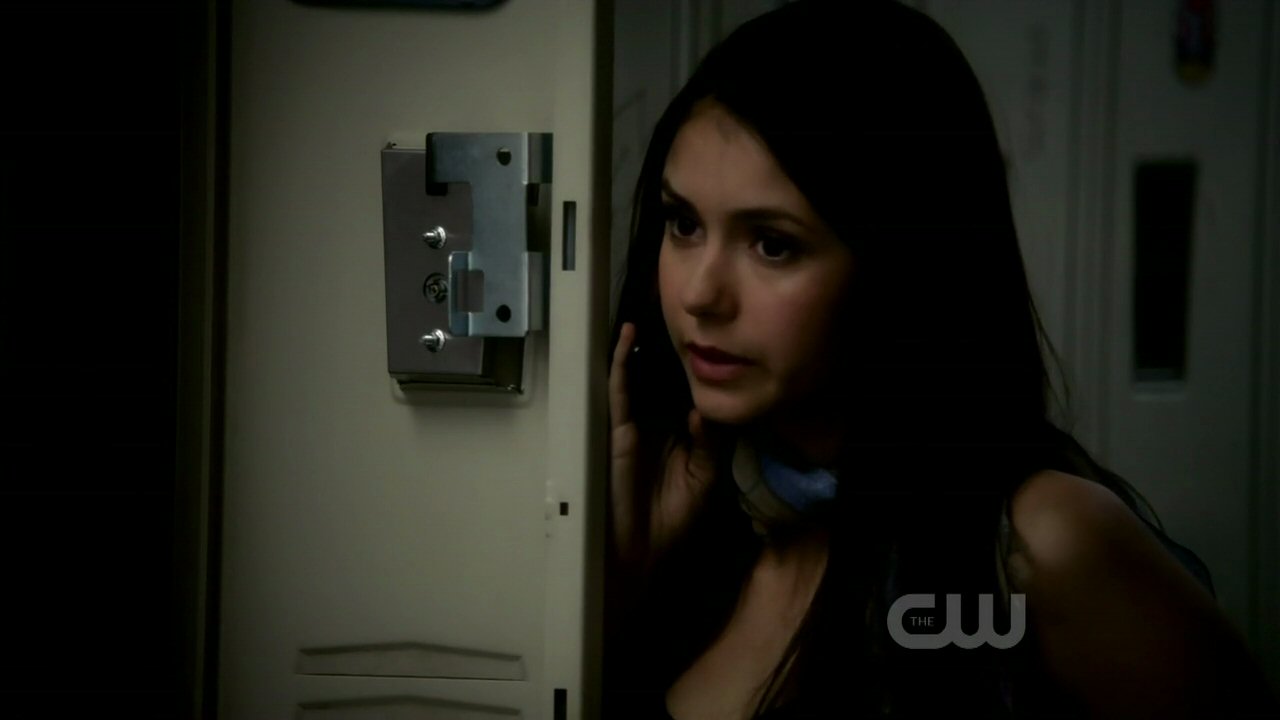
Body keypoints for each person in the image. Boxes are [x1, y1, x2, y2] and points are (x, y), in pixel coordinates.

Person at [602, 1, 1279, 718]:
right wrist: (610, 591)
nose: (700, 294)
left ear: (903, 264)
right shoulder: (687, 518)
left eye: (773, 244)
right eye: (683, 223)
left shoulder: (1039, 545)